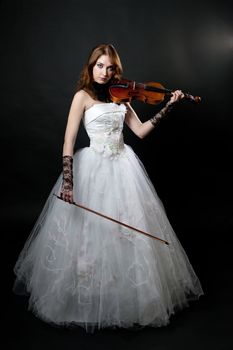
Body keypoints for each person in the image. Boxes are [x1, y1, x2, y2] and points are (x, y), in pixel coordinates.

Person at [13, 43, 204, 333]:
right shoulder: (82, 97)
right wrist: (68, 181)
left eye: (110, 67)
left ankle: (123, 297)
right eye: (99, 65)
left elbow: (139, 132)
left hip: (123, 165)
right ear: (91, 67)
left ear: (116, 70)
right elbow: (68, 141)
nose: (104, 72)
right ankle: (88, 297)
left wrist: (168, 106)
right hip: (92, 167)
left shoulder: (122, 97)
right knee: (88, 236)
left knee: (125, 237)